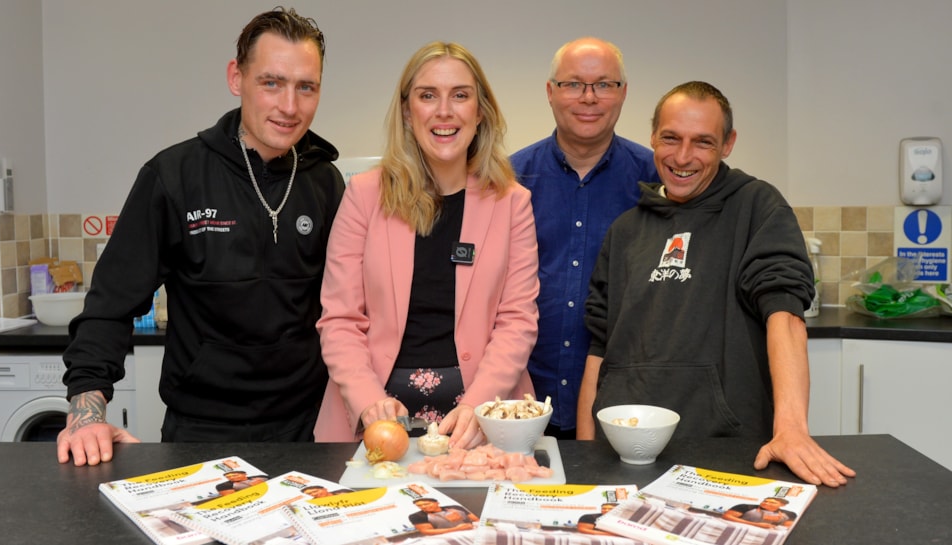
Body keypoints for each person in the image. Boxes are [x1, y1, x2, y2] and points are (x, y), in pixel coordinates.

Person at [57, 7, 344, 466]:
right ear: (237, 78)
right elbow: (110, 305)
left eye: (305, 87)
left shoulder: (325, 183)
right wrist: (86, 408)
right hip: (199, 431)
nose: (290, 106)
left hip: (309, 428)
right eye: (271, 82)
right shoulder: (173, 176)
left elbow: (348, 310)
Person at [575, 81, 856, 488]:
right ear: (653, 135)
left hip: (725, 453)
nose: (683, 157)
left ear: (728, 144)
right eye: (670, 138)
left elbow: (786, 316)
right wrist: (587, 453)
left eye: (703, 142)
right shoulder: (625, 231)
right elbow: (598, 351)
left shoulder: (758, 207)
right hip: (624, 456)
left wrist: (792, 428)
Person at [313, 41, 539, 449]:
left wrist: (479, 406)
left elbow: (517, 321)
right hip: (375, 419)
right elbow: (340, 319)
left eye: (460, 95)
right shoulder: (364, 195)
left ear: (480, 110)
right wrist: (370, 402)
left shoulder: (512, 203)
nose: (444, 111)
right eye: (427, 95)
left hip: (483, 418)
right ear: (406, 110)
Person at [510, 37, 658, 439]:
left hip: (626, 406)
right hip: (520, 403)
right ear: (550, 92)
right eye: (573, 84)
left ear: (624, 93)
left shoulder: (657, 180)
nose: (589, 98)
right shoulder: (507, 180)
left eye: (604, 84)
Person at [408, 498, 478, 535]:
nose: (423, 507)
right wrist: (457, 529)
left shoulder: (456, 507)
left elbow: (476, 520)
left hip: (471, 531)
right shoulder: (416, 516)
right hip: (444, 536)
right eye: (419, 506)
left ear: (437, 503)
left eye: (426, 504)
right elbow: (427, 531)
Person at [722, 498, 797, 530]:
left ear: (782, 505)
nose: (766, 503)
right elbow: (726, 516)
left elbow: (789, 527)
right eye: (765, 501)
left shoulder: (789, 514)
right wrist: (756, 524)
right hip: (739, 528)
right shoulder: (746, 506)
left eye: (772, 502)